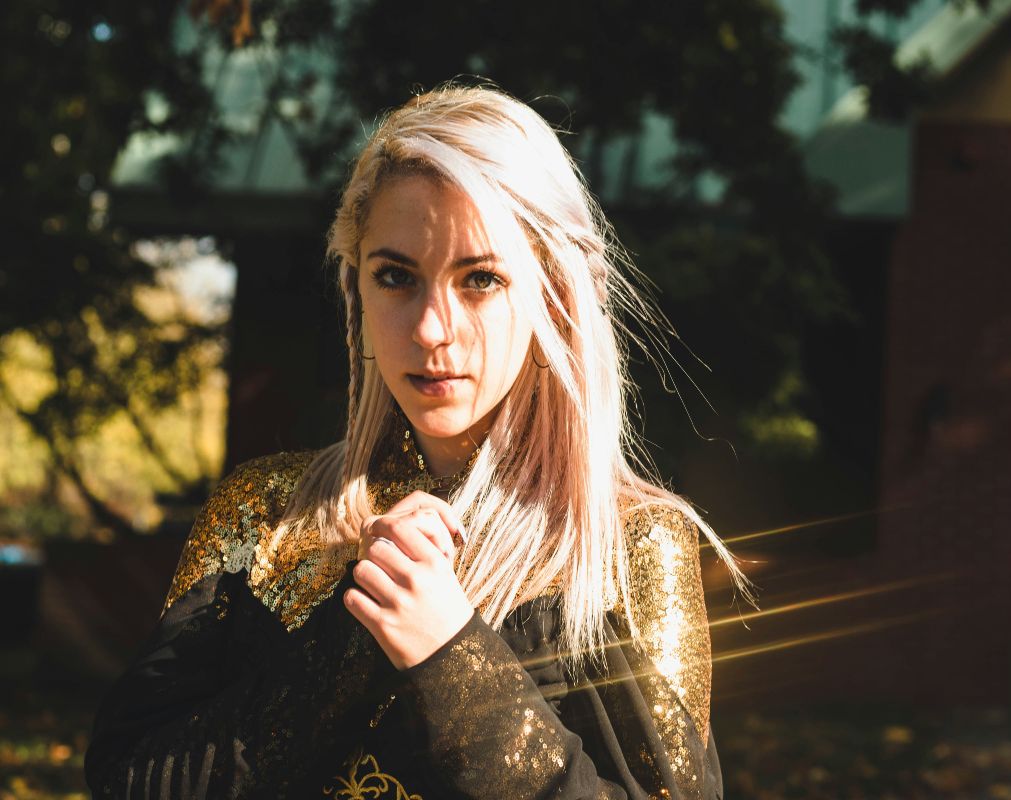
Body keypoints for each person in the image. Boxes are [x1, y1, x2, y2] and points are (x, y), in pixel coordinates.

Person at [85, 83, 746, 799]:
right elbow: (133, 782)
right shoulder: (264, 512)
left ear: (552, 295)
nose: (432, 328)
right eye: (397, 277)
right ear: (356, 288)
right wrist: (354, 629)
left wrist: (450, 656)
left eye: (480, 279)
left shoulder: (625, 543)